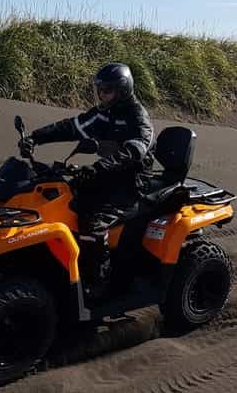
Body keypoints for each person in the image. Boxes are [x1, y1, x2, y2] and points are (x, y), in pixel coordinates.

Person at [19, 62, 154, 292]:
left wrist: (100, 167)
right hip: (107, 173)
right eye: (100, 90)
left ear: (122, 90)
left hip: (131, 181)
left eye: (107, 90)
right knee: (65, 198)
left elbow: (135, 150)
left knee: (93, 220)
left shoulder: (137, 116)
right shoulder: (104, 114)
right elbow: (72, 127)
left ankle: (100, 278)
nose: (101, 95)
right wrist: (35, 137)